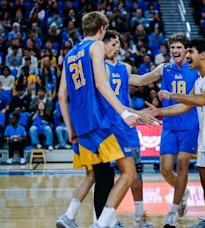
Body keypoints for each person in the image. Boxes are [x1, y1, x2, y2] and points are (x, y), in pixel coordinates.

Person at [57, 11, 149, 228]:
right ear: (102, 29)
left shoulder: (69, 54)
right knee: (129, 172)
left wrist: (71, 129)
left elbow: (62, 96)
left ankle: (96, 221)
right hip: (99, 120)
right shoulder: (96, 46)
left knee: (102, 177)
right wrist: (124, 112)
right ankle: (102, 224)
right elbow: (101, 83)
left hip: (81, 126)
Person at [148, 38, 205, 228]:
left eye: (190, 51)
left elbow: (202, 99)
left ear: (202, 55)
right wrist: (160, 112)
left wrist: (171, 95)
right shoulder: (200, 80)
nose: (187, 55)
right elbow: (184, 106)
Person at [129, 33, 198, 226]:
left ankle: (172, 212)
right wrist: (114, 72)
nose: (175, 51)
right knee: (166, 170)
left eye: (179, 47)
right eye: (173, 48)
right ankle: (183, 193)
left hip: (190, 125)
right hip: (169, 125)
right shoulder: (164, 68)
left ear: (186, 50)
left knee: (183, 164)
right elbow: (141, 80)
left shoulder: (195, 68)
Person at [104, 30, 154, 227]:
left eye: (119, 43)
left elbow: (140, 80)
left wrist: (161, 70)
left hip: (127, 125)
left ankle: (139, 215)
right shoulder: (99, 67)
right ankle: (108, 216)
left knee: (136, 172)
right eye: (114, 43)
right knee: (108, 174)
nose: (118, 47)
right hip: (108, 124)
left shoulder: (125, 67)